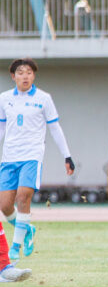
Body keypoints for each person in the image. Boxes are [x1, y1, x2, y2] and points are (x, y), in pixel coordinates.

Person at [0, 57, 74, 264]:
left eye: (29, 72)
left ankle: (16, 246)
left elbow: (55, 128)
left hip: (32, 155)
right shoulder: (4, 98)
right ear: (13, 76)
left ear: (34, 75)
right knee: (4, 205)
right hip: (9, 157)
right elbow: (2, 128)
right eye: (21, 72)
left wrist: (66, 156)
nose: (25, 76)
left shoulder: (44, 98)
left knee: (23, 197)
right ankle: (27, 229)